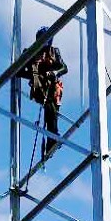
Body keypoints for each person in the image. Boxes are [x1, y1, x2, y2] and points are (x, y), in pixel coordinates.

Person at [27, 27, 68, 161]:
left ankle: (51, 140)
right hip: (41, 87)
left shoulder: (54, 51)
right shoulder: (34, 54)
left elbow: (64, 67)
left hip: (53, 86)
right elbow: (26, 71)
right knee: (50, 108)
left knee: (52, 110)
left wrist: (55, 72)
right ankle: (52, 138)